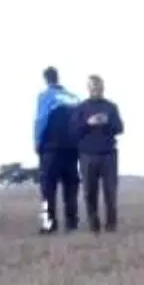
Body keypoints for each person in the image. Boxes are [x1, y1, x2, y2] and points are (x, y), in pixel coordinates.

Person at [71, 74, 125, 233]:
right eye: (93, 87)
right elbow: (73, 131)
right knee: (89, 192)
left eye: (98, 86)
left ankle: (111, 226)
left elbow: (120, 128)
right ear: (88, 88)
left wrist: (107, 122)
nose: (96, 89)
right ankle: (94, 226)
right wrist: (88, 123)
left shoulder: (111, 107)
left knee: (110, 192)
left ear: (103, 87)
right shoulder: (80, 108)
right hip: (87, 155)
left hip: (108, 154)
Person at [33, 66, 83, 234]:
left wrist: (37, 141)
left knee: (48, 188)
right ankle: (72, 222)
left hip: (51, 148)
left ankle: (49, 224)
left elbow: (41, 120)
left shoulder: (45, 96)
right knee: (71, 187)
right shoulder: (74, 97)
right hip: (72, 148)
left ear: (46, 79)